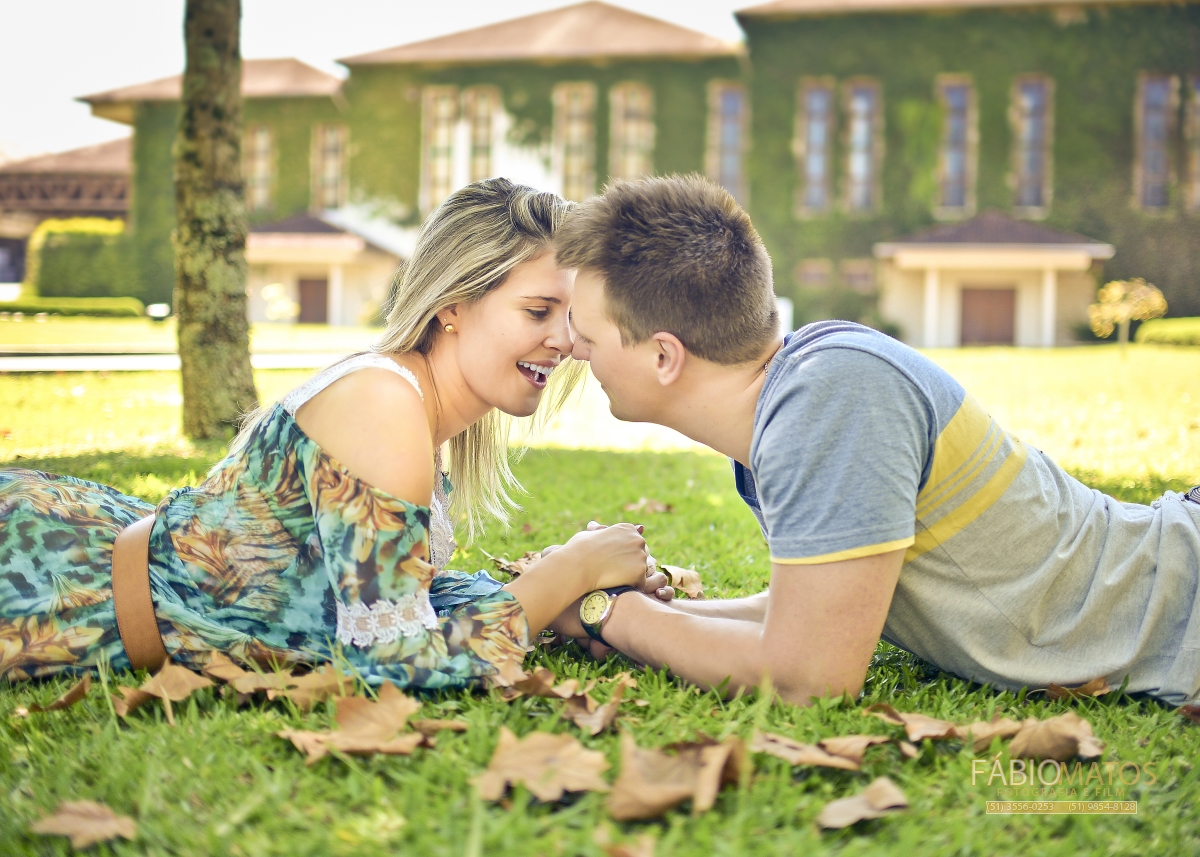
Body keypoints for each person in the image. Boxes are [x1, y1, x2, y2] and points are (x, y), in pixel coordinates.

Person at [550, 174, 1200, 708]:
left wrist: (612, 615)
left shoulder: (830, 397)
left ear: (664, 355)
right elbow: (820, 606)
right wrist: (635, 607)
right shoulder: (798, 396)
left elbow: (810, 675)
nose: (570, 348)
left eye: (588, 334)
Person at [0, 178, 667, 690]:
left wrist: (569, 602)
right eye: (538, 310)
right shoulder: (384, 402)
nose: (565, 340)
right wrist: (569, 571)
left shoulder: (413, 412)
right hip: (47, 577)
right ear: (452, 306)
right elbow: (388, 661)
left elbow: (395, 607)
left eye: (571, 315)